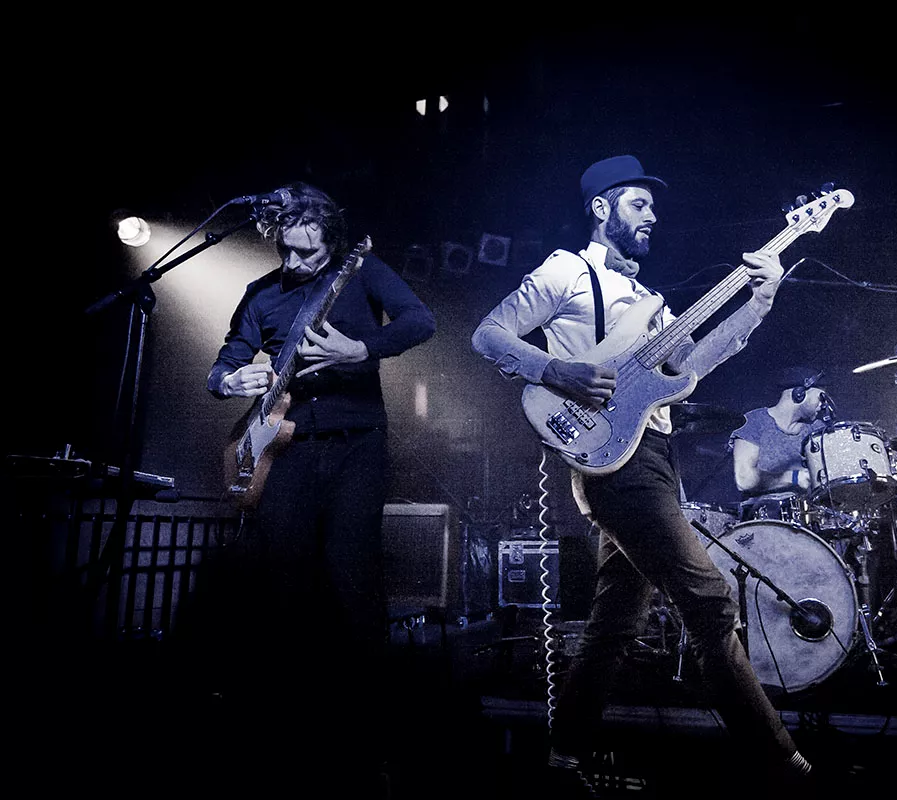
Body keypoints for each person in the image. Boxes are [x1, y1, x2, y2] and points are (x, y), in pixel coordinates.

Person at [471, 155, 814, 791]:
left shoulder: (653, 303)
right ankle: (782, 763)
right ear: (601, 209)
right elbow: (489, 336)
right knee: (710, 602)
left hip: (652, 454)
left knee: (615, 622)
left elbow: (695, 365)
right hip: (615, 468)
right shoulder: (566, 271)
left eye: (654, 206)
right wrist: (555, 370)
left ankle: (564, 757)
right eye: (638, 203)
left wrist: (759, 302)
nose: (652, 214)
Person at [198, 181, 436, 795]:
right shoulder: (261, 293)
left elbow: (420, 321)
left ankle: (370, 740)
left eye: (309, 251)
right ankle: (288, 734)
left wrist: (363, 348)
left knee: (353, 581)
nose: (297, 262)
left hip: (358, 444)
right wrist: (230, 381)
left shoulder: (362, 271)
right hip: (287, 448)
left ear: (331, 239)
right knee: (284, 583)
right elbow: (226, 361)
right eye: (287, 250)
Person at [729, 366, 834, 522]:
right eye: (821, 397)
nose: (823, 404)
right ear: (799, 394)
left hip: (810, 520)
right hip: (763, 522)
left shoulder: (817, 429)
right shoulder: (754, 421)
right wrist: (794, 477)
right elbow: (744, 479)